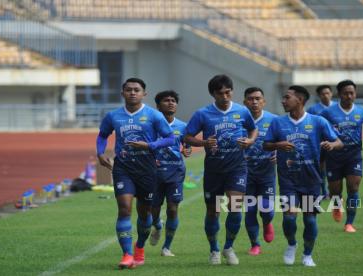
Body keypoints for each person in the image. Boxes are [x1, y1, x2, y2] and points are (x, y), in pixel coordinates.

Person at [96, 78, 175, 269]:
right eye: (129, 90)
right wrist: (100, 153)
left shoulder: (154, 115)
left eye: (136, 90)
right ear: (122, 93)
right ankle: (127, 254)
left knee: (144, 213)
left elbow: (171, 138)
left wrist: (150, 145)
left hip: (147, 169)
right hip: (123, 168)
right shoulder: (113, 116)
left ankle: (139, 246)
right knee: (124, 208)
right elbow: (102, 135)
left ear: (143, 94)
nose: (132, 93)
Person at [264, 85, 342, 267]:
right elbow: (265, 145)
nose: (283, 101)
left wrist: (332, 146)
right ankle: (292, 244)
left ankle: (307, 254)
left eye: (287, 97)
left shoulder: (318, 121)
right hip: (288, 180)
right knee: (289, 216)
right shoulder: (277, 122)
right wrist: (279, 144)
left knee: (309, 219)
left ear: (299, 100)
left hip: (311, 180)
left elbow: (338, 141)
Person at [184, 74, 257, 265]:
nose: (225, 96)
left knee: (235, 207)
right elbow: (187, 136)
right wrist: (203, 142)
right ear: (213, 94)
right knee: (213, 212)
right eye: (220, 93)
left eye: (228, 92)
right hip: (214, 170)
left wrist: (250, 140)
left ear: (232, 91)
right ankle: (214, 249)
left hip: (237, 167)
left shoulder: (242, 111)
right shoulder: (203, 114)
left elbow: (253, 129)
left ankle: (229, 247)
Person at [320, 80, 363, 233]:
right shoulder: (327, 112)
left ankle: (349, 223)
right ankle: (337, 205)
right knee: (335, 191)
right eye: (346, 93)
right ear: (339, 94)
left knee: (353, 187)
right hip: (334, 155)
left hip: (354, 155)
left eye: (352, 93)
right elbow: (319, 129)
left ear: (355, 94)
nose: (349, 96)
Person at [149, 90, 191, 257]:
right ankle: (158, 226)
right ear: (158, 106)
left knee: (173, 209)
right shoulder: (151, 125)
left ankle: (166, 247)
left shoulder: (182, 126)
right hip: (154, 173)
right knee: (153, 209)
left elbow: (187, 144)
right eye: (166, 100)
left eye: (173, 100)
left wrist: (187, 149)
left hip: (175, 172)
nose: (171, 103)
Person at [242, 87, 277, 256]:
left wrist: (280, 153)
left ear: (264, 101)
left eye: (257, 98)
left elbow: (286, 142)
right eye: (250, 99)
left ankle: (267, 221)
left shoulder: (274, 120)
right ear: (244, 102)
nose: (254, 102)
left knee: (267, 209)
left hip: (267, 173)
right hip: (244, 174)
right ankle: (255, 244)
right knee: (249, 210)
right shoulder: (238, 120)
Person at [307, 85, 336, 199]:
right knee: (321, 168)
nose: (326, 95)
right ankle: (323, 191)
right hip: (319, 143)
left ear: (331, 94)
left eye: (328, 93)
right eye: (323, 94)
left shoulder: (337, 107)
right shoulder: (313, 110)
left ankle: (334, 192)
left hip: (334, 142)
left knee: (334, 168)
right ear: (319, 96)